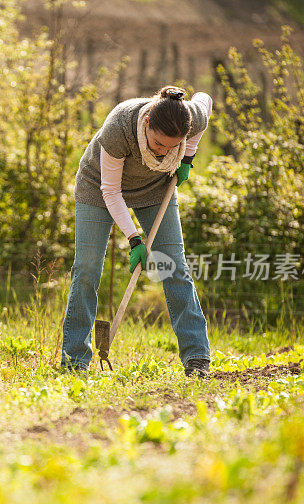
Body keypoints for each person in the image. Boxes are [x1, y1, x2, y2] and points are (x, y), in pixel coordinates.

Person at [61, 85, 213, 377]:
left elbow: (205, 101)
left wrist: (187, 158)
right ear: (146, 124)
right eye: (159, 144)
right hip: (98, 188)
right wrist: (134, 241)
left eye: (173, 146)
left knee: (174, 267)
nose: (164, 151)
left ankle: (197, 358)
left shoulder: (189, 116)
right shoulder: (119, 127)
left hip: (156, 189)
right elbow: (111, 191)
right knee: (87, 268)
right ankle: (75, 361)